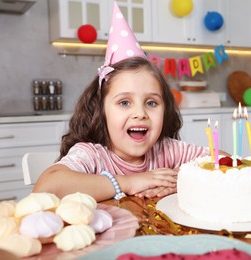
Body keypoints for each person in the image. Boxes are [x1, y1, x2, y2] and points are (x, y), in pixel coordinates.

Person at [33, 2, 228, 202]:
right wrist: (128, 182)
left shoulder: (167, 150)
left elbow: (225, 160)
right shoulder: (92, 155)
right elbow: (46, 188)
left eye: (151, 103)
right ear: (101, 109)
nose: (140, 113)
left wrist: (181, 178)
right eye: (125, 102)